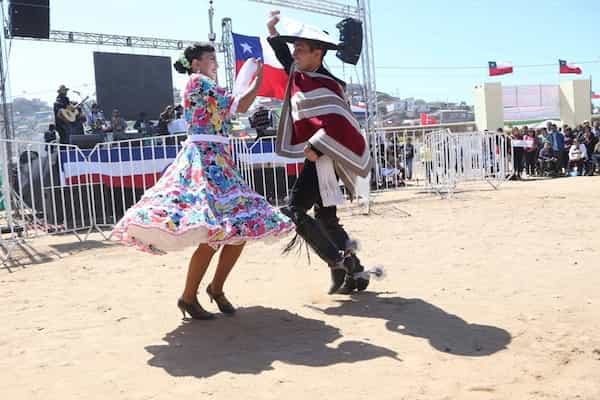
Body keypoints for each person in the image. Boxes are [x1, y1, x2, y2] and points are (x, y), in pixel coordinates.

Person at [111, 43, 294, 320]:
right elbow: (241, 105)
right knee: (217, 230)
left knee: (238, 228)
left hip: (217, 159)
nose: (216, 64)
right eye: (211, 59)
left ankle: (212, 290)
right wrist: (259, 80)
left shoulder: (205, 85)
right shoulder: (199, 81)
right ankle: (191, 295)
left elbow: (233, 107)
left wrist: (251, 81)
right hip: (206, 160)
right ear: (196, 64)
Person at [267, 11, 373, 295]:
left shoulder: (327, 83)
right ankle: (356, 272)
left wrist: (316, 145)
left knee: (293, 210)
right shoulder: (302, 74)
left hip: (325, 154)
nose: (294, 54)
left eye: (301, 49)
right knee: (326, 218)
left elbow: (338, 122)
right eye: (294, 49)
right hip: (320, 155)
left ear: (319, 53)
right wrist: (273, 32)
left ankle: (339, 263)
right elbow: (284, 58)